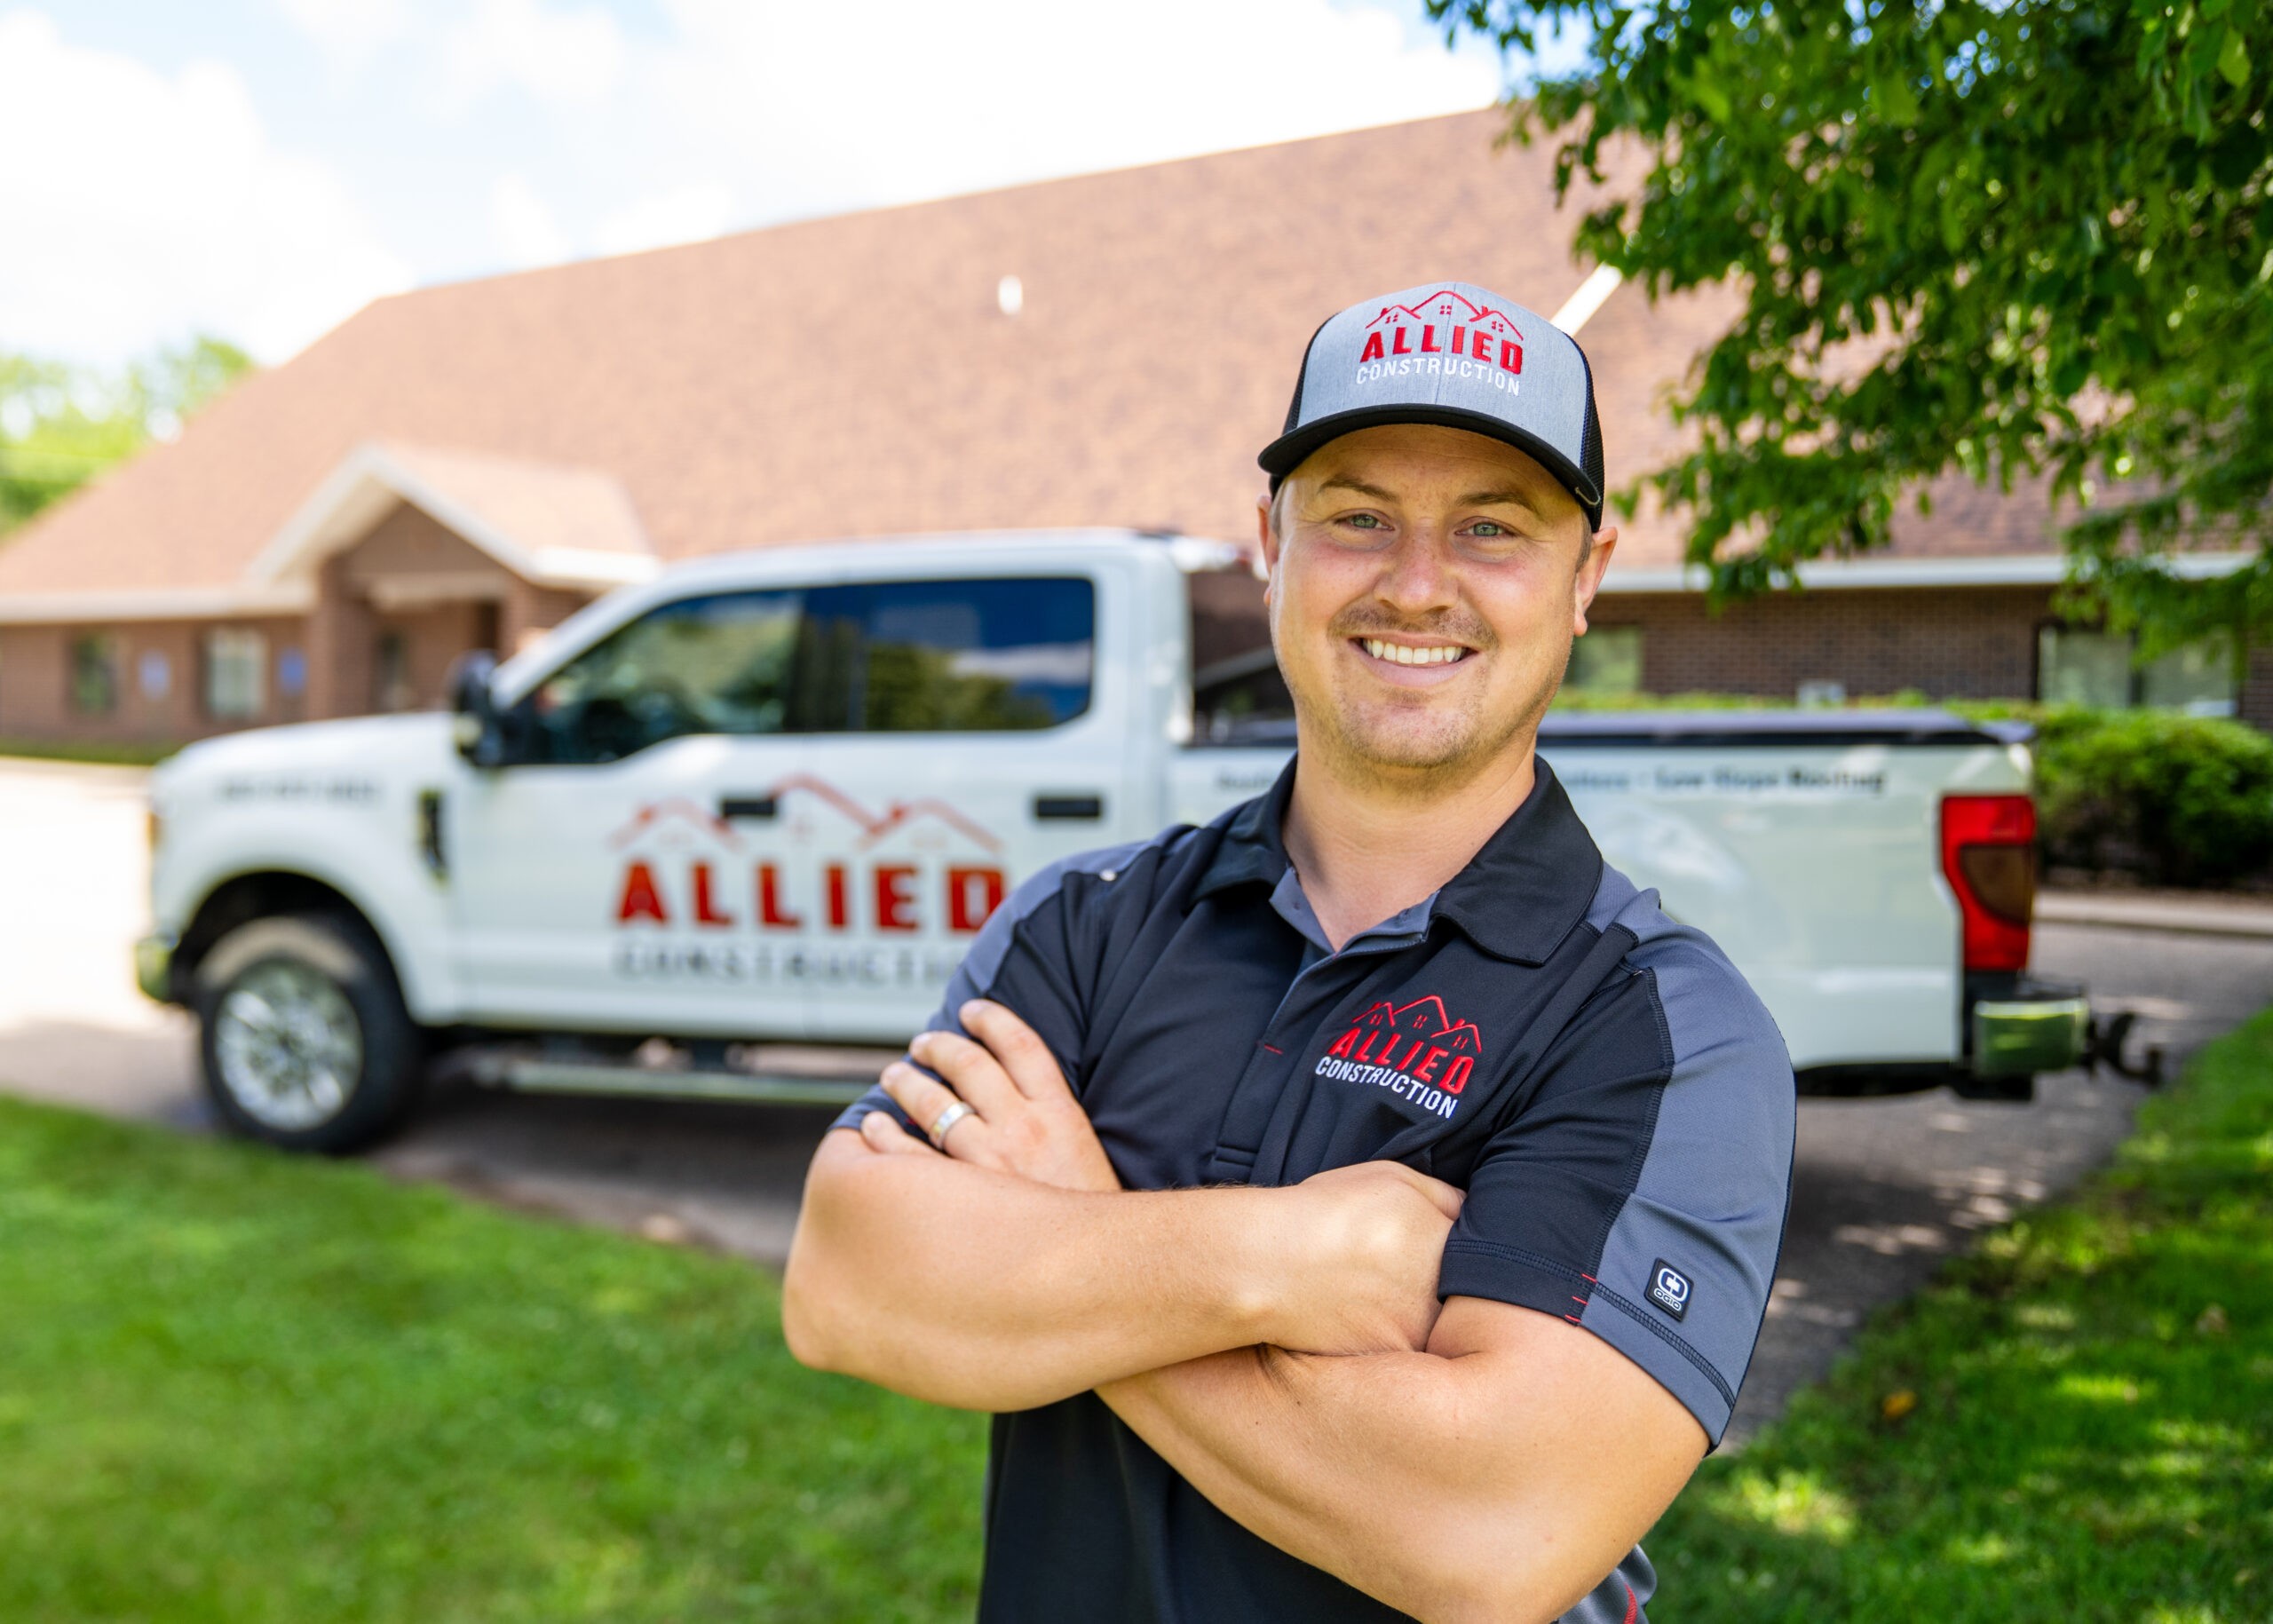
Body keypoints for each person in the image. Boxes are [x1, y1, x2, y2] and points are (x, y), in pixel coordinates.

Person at [782, 281, 1795, 1623]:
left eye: (1490, 528)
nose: (1417, 582)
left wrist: (1073, 1236)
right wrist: (1286, 1258)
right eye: (1358, 515)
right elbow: (846, 1282)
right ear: (1272, 544)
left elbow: (1485, 1532)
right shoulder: (1083, 926)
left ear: (1587, 577)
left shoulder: (1662, 1030)